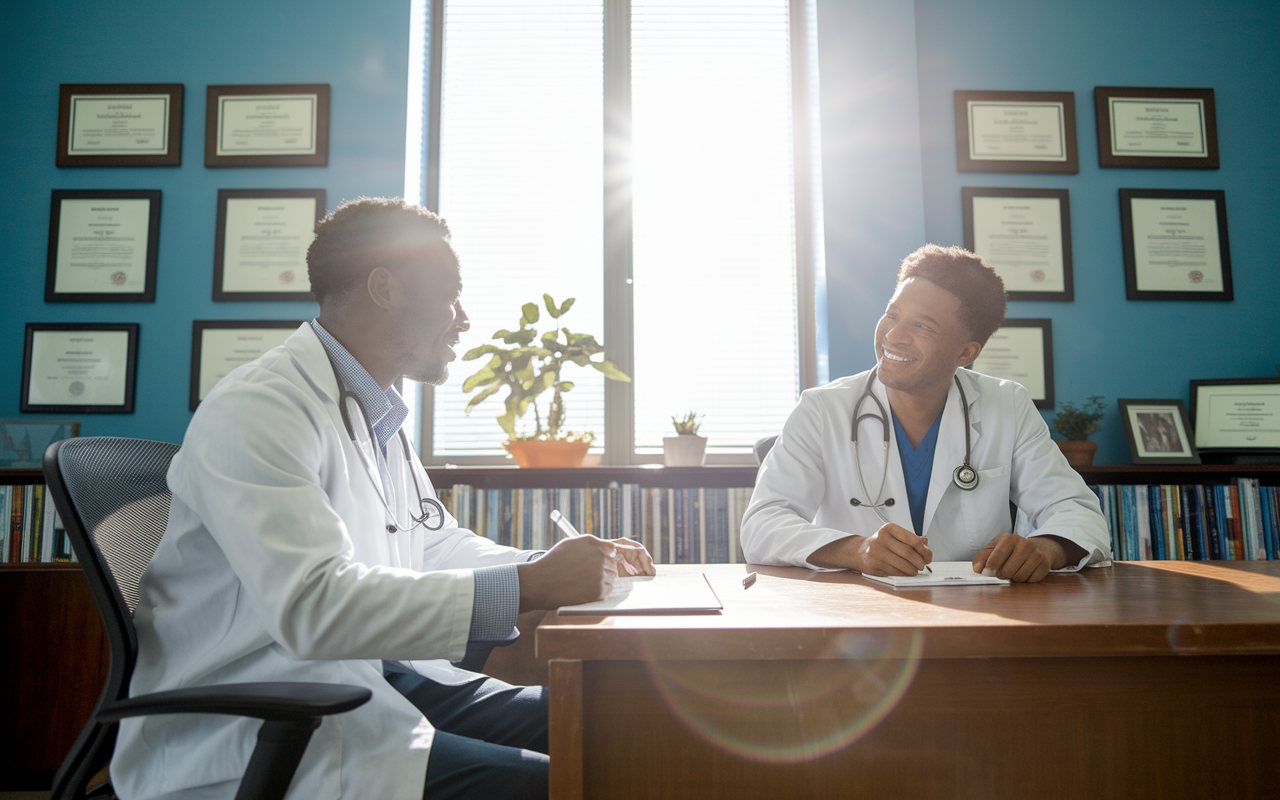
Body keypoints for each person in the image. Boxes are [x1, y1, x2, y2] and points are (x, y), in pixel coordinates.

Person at [112, 197, 655, 800]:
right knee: (560, 784)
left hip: (377, 682)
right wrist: (536, 587)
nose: (464, 319)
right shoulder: (260, 408)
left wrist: (551, 565)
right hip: (272, 720)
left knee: (619, 719)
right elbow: (314, 606)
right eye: (451, 294)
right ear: (385, 288)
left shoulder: (376, 416)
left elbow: (434, 541)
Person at [741, 244, 1110, 582]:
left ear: (966, 353)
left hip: (978, 613)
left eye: (921, 325)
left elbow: (1077, 512)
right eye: (892, 314)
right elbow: (762, 524)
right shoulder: (822, 409)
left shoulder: (1006, 405)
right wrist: (857, 550)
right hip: (858, 610)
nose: (894, 336)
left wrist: (1044, 548)